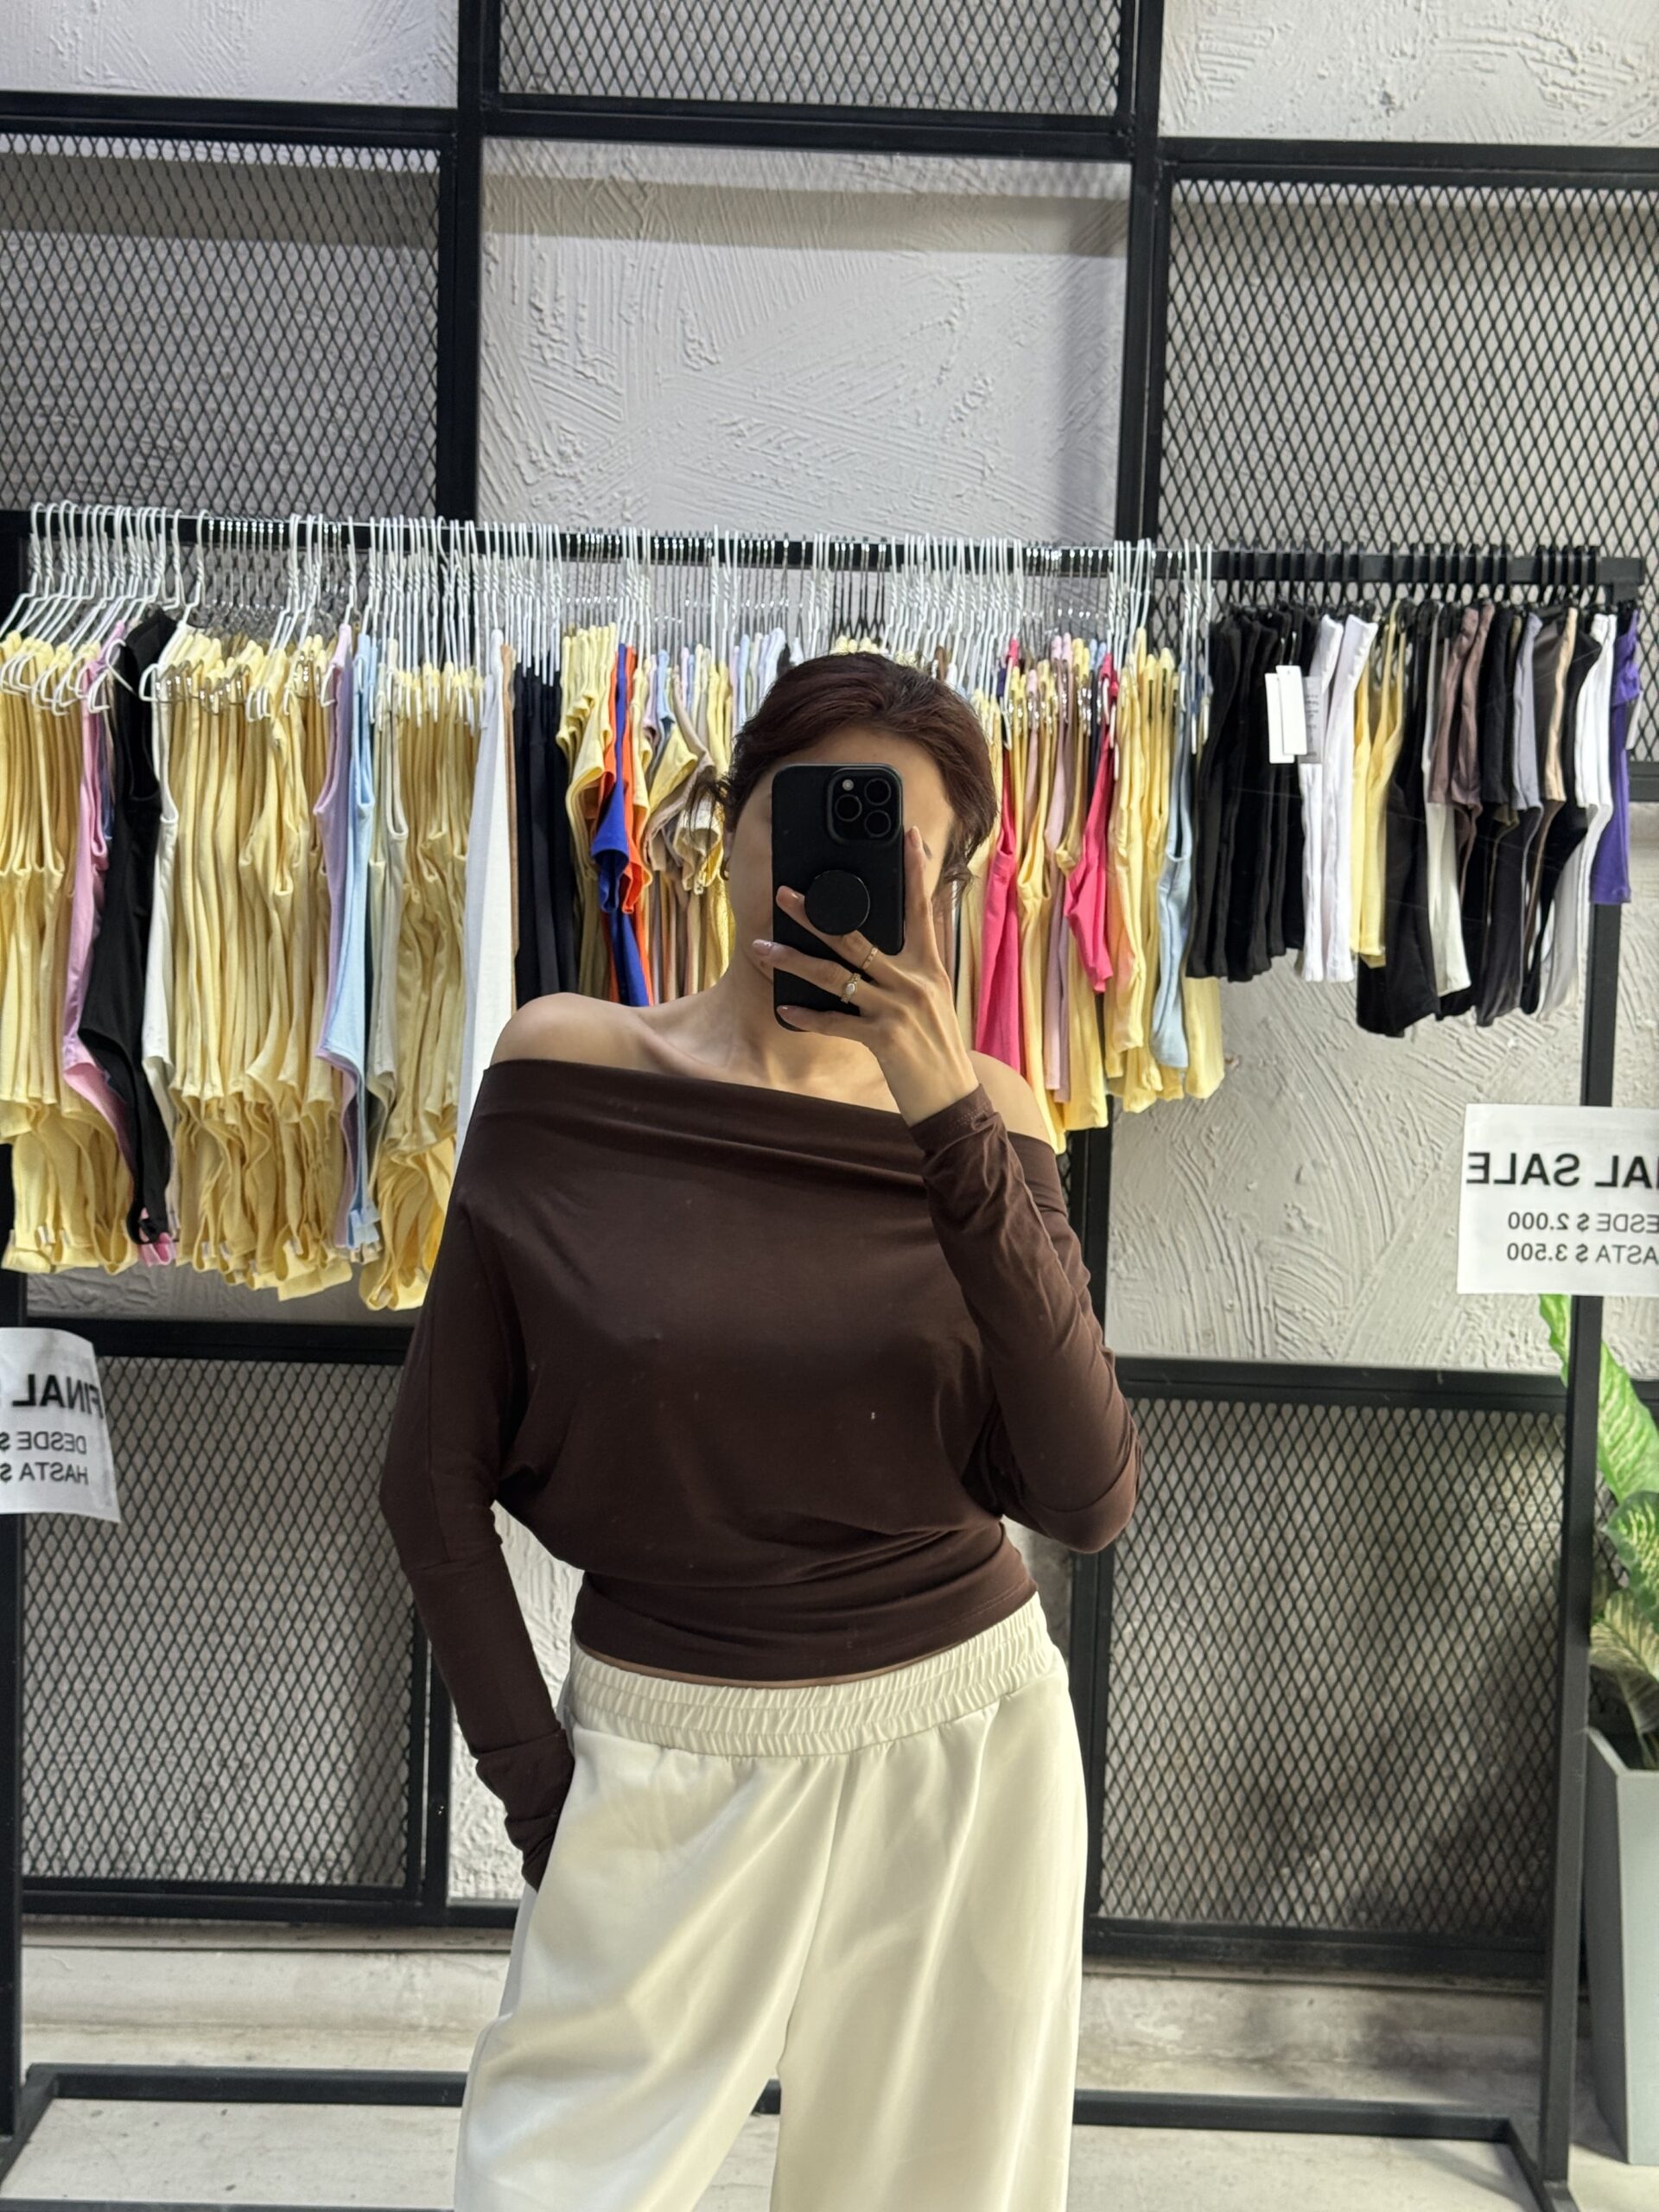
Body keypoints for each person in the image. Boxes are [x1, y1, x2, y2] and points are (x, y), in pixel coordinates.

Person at [378, 650, 1143, 2211]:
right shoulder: (567, 1070)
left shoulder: (995, 1123)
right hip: (661, 1747)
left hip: (962, 1743)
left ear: (945, 891)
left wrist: (946, 1115)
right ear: (727, 828)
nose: (838, 865)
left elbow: (1086, 1494)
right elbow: (429, 1483)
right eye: (807, 810)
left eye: (900, 848)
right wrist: (545, 1800)